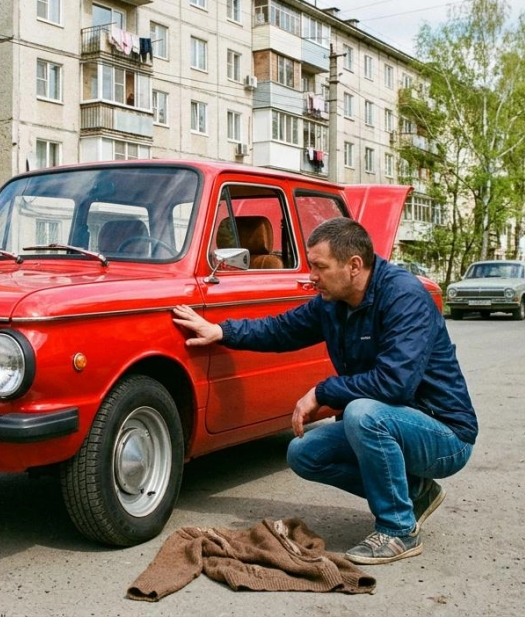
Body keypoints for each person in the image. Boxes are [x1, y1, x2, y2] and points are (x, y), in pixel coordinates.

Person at [171, 217, 478, 565]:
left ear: (354, 266)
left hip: (445, 436)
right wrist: (221, 331)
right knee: (304, 452)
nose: (311, 276)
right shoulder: (334, 301)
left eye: (319, 266)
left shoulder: (404, 297)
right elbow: (281, 329)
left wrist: (321, 392)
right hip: (395, 423)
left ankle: (398, 530)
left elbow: (395, 383)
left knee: (363, 413)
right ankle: (415, 493)